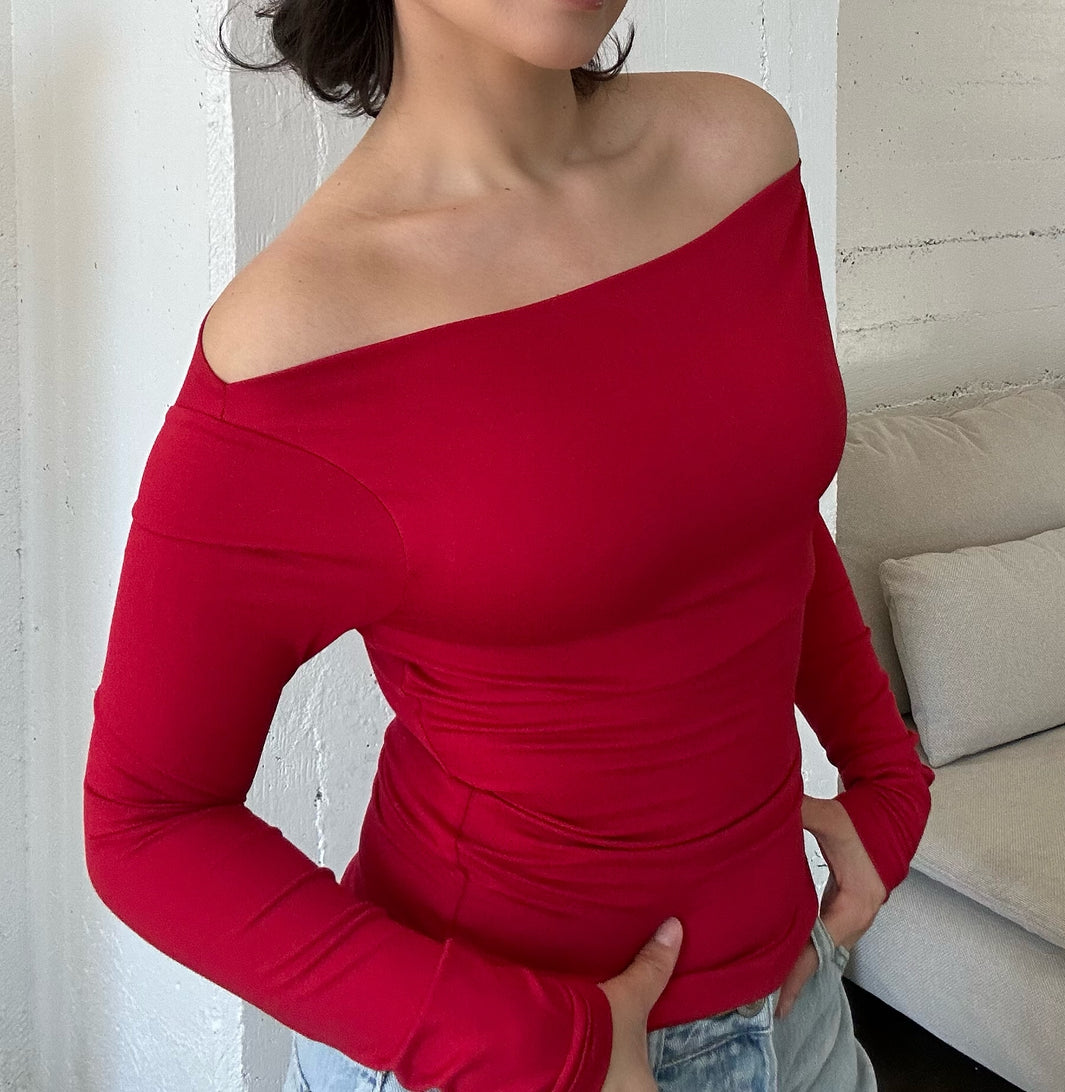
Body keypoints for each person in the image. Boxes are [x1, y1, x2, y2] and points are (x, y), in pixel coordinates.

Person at [82, 1, 936, 1090]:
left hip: (797, 1015)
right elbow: (144, 822)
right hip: (505, 1058)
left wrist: (884, 770)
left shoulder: (739, 152)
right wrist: (529, 1043)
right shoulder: (301, 337)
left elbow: (743, 512)